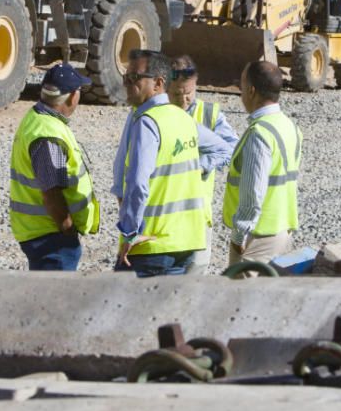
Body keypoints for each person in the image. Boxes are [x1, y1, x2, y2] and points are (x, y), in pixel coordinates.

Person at [112, 50, 233, 277]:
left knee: (126, 309)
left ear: (158, 83)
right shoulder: (183, 119)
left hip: (152, 245)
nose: (127, 84)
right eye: (125, 77)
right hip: (186, 242)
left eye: (135, 78)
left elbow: (138, 184)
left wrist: (129, 233)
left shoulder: (148, 121)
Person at [8, 63, 99, 270]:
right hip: (51, 238)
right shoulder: (48, 134)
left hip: (41, 233)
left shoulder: (37, 119)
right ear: (71, 96)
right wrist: (67, 228)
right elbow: (51, 192)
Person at [223, 61, 302, 269]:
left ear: (251, 90)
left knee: (242, 298)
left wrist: (239, 236)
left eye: (241, 85)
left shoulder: (260, 134)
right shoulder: (289, 126)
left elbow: (253, 191)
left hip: (257, 238)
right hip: (282, 230)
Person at [167, 55, 239, 275]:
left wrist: (203, 165)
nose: (183, 100)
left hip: (198, 213)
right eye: (176, 94)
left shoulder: (209, 114)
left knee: (195, 272)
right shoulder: (157, 114)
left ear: (196, 85)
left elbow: (233, 149)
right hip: (166, 213)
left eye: (188, 93)